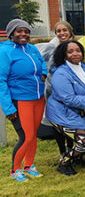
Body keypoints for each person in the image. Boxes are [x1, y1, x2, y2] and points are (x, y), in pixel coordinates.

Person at [46, 40, 85, 175]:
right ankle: (65, 162)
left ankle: (77, 158)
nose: (75, 54)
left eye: (78, 50)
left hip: (77, 112)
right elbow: (70, 99)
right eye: (70, 51)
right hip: (61, 113)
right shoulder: (61, 74)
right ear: (64, 55)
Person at [0, 19, 47, 182]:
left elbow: (42, 62)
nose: (23, 34)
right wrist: (8, 108)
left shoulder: (32, 48)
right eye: (19, 31)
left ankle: (29, 166)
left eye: (26, 31)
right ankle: (15, 170)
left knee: (33, 135)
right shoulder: (5, 51)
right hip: (20, 100)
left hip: (38, 99)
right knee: (26, 136)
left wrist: (44, 73)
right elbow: (1, 81)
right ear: (11, 33)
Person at [36, 21, 75, 160]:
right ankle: (62, 151)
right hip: (54, 90)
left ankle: (71, 149)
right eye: (58, 31)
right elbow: (43, 65)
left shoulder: (76, 47)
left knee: (71, 119)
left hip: (72, 90)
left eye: (64, 30)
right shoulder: (50, 48)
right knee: (57, 121)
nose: (62, 33)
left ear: (70, 31)